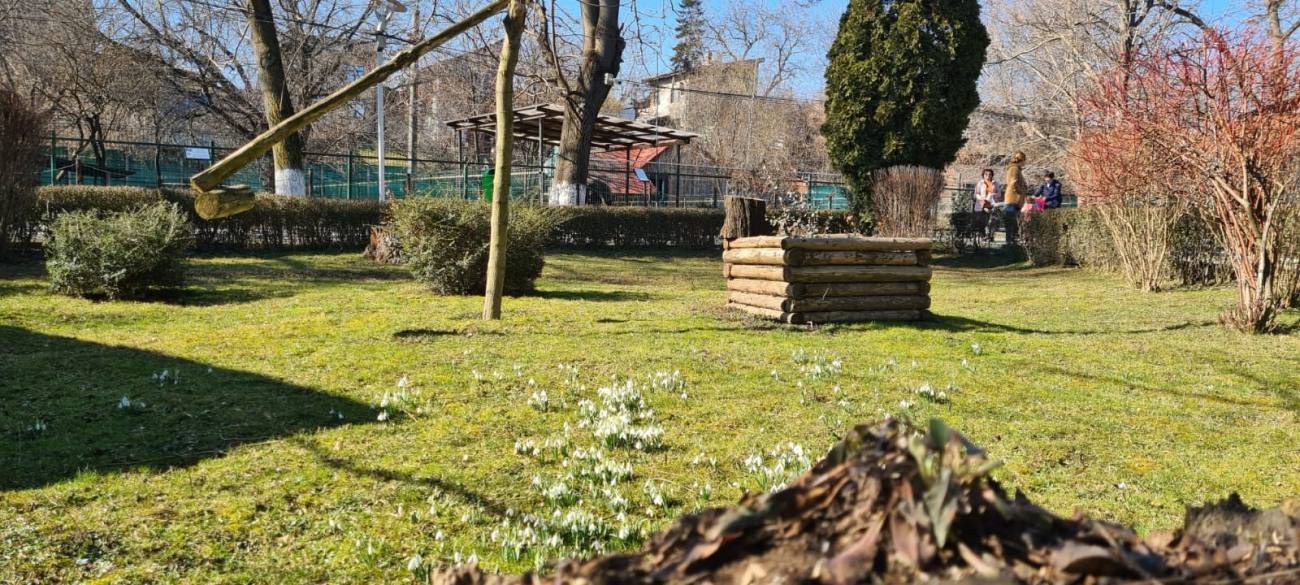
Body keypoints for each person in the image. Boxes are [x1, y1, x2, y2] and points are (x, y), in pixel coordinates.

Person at [1002, 152, 1029, 246]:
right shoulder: (1014, 168)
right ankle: (1010, 243)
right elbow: (1013, 183)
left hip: (1016, 201)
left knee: (1014, 224)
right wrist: (1021, 191)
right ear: (1022, 160)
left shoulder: (1017, 169)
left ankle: (1012, 242)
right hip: (1012, 200)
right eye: (1024, 161)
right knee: (1011, 223)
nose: (1025, 163)